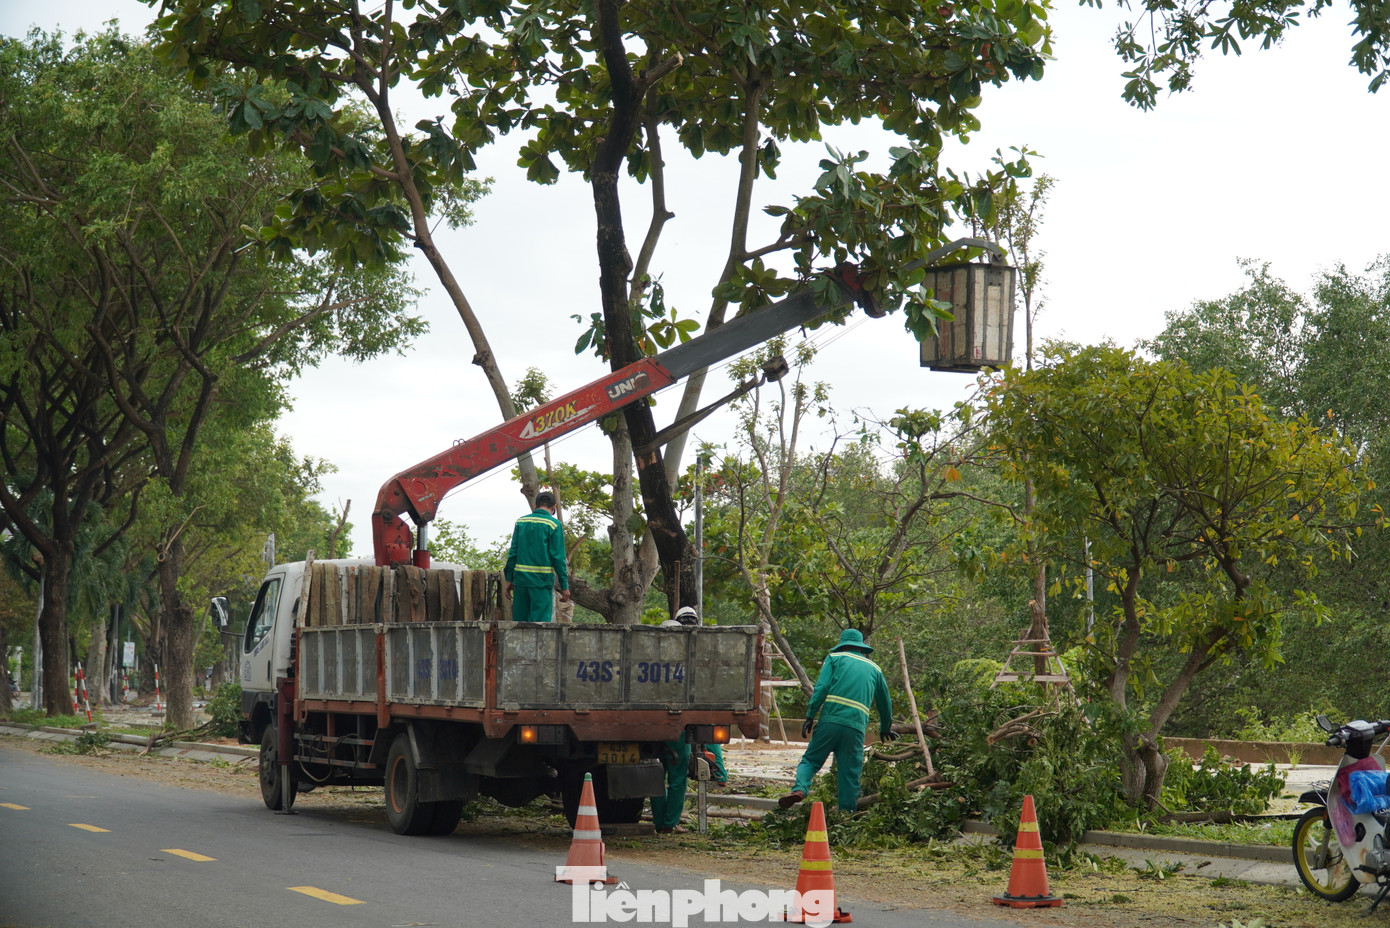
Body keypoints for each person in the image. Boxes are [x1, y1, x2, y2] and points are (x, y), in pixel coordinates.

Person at [779, 628, 895, 813]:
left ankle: (800, 790)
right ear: (860, 647)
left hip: (830, 723)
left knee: (810, 761)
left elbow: (822, 688)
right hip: (856, 728)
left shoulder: (834, 659)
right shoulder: (875, 669)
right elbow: (885, 702)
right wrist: (885, 727)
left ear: (843, 645)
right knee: (849, 775)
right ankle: (846, 818)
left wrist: (810, 715)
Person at [503, 490, 571, 622]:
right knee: (540, 626)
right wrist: (564, 586)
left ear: (535, 505)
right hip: (541, 583)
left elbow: (513, 554)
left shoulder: (521, 522)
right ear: (554, 508)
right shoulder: (553, 524)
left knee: (520, 625)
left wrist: (509, 579)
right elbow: (558, 558)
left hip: (521, 582)